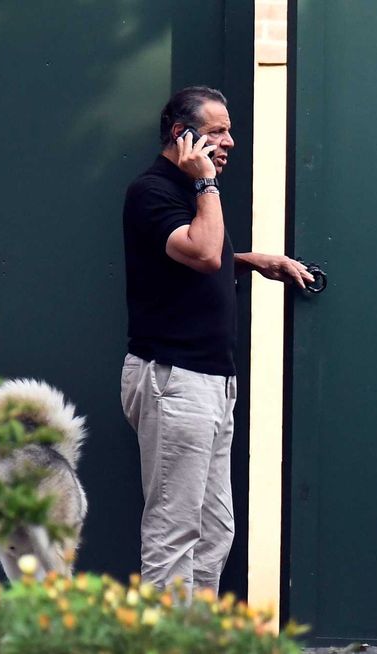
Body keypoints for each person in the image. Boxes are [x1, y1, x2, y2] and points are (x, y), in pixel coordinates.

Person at [120, 86, 312, 596]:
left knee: (214, 531)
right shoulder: (154, 191)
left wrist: (250, 261)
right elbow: (203, 254)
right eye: (216, 132)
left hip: (210, 382)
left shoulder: (187, 193)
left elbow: (195, 258)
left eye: (229, 130)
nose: (229, 141)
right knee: (173, 531)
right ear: (182, 136)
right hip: (174, 380)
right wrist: (206, 182)